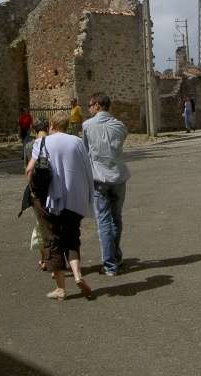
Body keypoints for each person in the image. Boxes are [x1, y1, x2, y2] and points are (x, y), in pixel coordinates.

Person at [26, 111, 94, 301]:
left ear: (51, 126)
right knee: (72, 236)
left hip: (50, 199)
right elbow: (87, 170)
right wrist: (88, 199)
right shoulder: (77, 142)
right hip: (74, 198)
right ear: (67, 125)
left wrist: (32, 191)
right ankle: (78, 274)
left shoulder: (42, 142)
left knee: (52, 239)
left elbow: (30, 170)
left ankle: (61, 288)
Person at [83, 92, 131, 277]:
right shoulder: (120, 126)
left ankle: (110, 264)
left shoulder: (87, 126)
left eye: (89, 105)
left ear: (96, 105)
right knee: (116, 218)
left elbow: (86, 151)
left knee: (104, 221)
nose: (88, 109)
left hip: (100, 178)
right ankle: (115, 255)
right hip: (118, 176)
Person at [23, 121, 49, 271]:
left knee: (40, 224)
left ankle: (44, 259)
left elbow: (27, 170)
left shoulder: (28, 146)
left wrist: (32, 189)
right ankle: (57, 257)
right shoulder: (54, 143)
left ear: (33, 131)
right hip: (53, 188)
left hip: (37, 189)